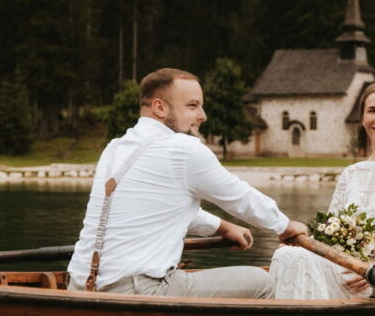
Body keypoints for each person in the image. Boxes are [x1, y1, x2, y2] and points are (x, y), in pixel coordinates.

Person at [67, 68, 308, 298]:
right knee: (262, 283)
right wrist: (285, 226)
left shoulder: (115, 148)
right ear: (160, 107)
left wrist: (223, 227)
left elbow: (161, 205)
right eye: (192, 106)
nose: (203, 115)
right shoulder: (182, 148)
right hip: (137, 289)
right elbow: (239, 197)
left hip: (79, 284)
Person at [271, 81, 375, 299]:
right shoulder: (351, 173)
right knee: (288, 255)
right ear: (363, 119)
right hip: (346, 273)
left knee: (294, 259)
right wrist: (301, 243)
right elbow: (327, 237)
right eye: (372, 111)